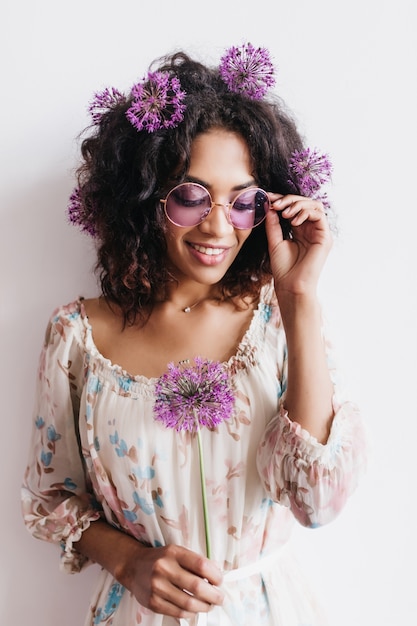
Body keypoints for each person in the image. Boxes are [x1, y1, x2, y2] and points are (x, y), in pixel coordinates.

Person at [21, 43, 368, 626]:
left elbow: (316, 502)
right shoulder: (77, 336)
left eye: (243, 202)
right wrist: (129, 561)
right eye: (190, 195)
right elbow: (51, 498)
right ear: (144, 196)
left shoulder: (277, 320)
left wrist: (298, 297)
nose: (217, 226)